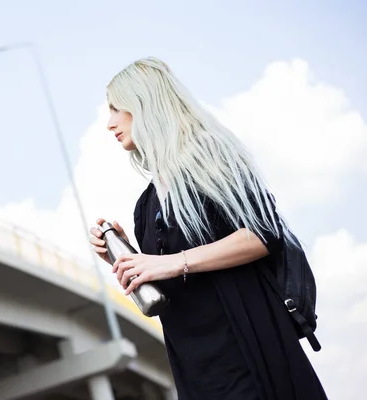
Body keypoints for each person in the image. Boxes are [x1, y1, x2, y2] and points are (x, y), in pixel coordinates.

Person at [89, 57, 327, 400]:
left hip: (250, 350)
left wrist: (171, 261)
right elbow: (169, 284)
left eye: (116, 108)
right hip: (196, 368)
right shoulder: (146, 204)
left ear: (144, 104)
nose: (109, 122)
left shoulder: (210, 155)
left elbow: (263, 234)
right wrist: (127, 256)